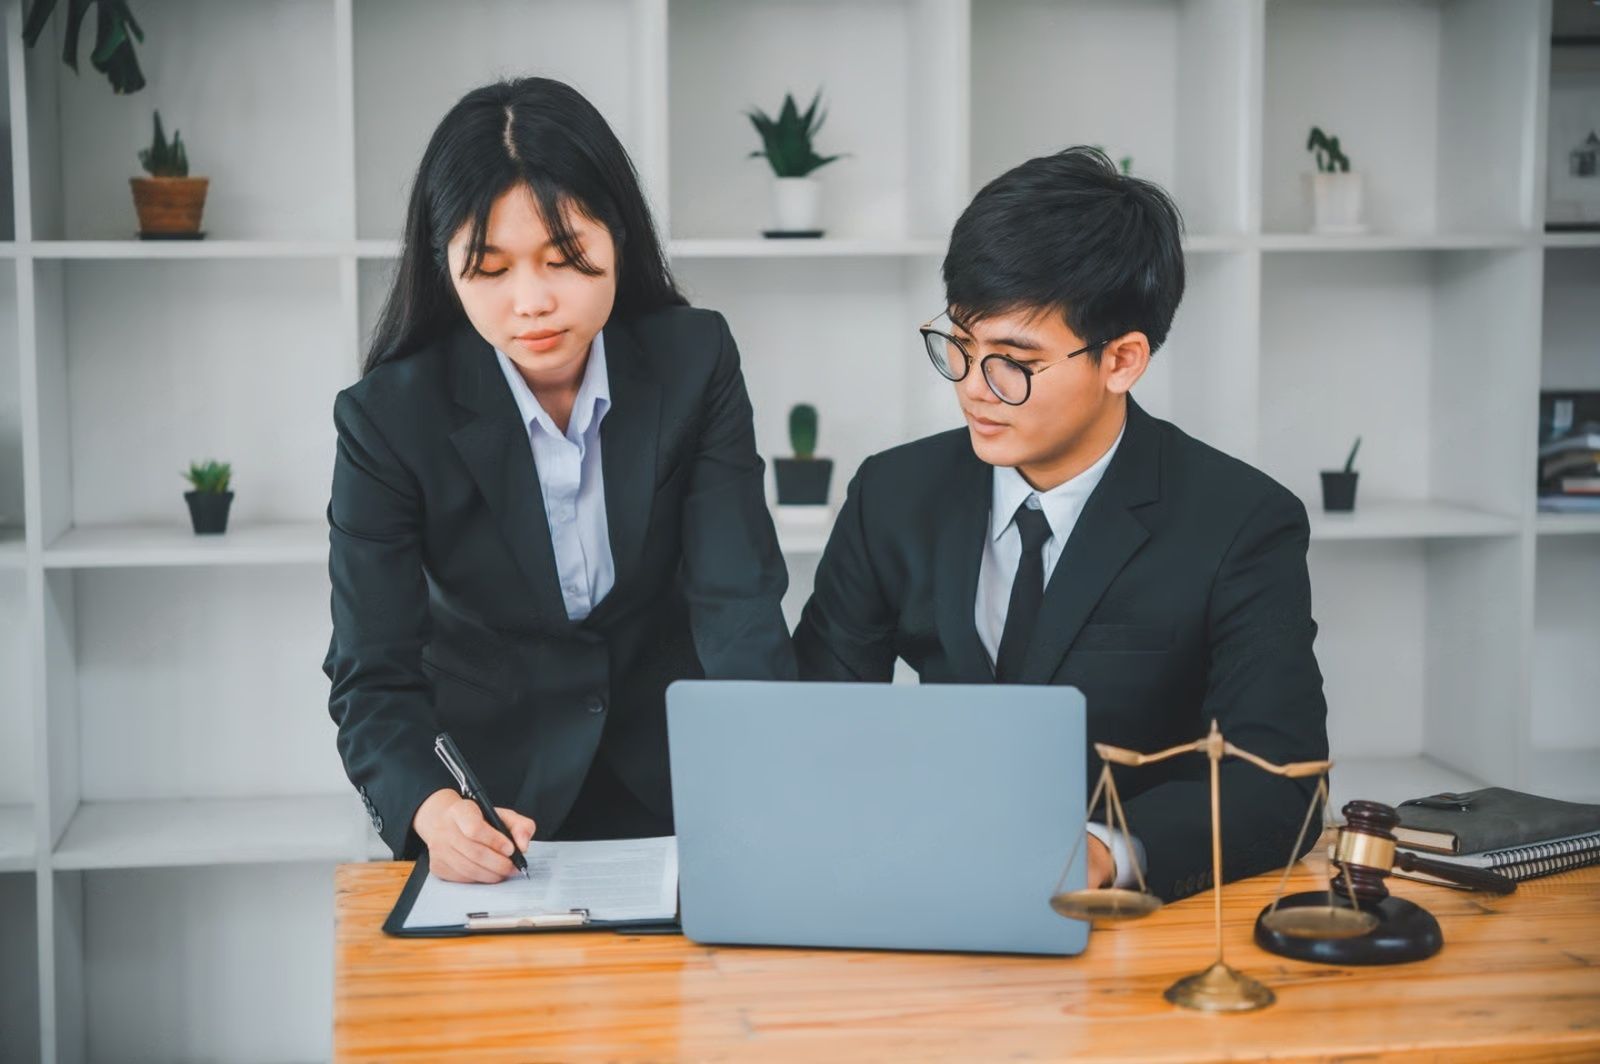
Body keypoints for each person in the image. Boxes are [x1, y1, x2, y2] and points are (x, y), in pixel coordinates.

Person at [793, 147, 1329, 902]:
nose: (974, 390)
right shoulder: (893, 493)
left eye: (1012, 361)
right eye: (961, 345)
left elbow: (1281, 781)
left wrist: (1107, 850)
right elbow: (813, 718)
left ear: (1123, 360)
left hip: (1125, 927)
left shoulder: (1241, 522)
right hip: (924, 885)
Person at [325, 77, 794, 884]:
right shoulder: (388, 419)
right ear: (446, 269)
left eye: (564, 257)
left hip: (684, 788)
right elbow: (374, 671)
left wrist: (773, 784)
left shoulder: (695, 360)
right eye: (490, 269)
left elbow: (737, 604)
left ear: (618, 235)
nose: (532, 302)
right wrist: (432, 808)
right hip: (496, 808)